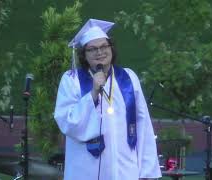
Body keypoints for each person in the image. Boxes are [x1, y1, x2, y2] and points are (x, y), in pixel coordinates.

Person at [54, 18, 162, 180]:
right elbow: (67, 122)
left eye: (104, 46)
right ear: (84, 54)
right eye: (92, 49)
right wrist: (93, 93)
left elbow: (142, 124)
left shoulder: (128, 78)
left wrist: (147, 171)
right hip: (86, 170)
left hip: (125, 168)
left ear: (111, 48)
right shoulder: (71, 80)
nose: (100, 52)